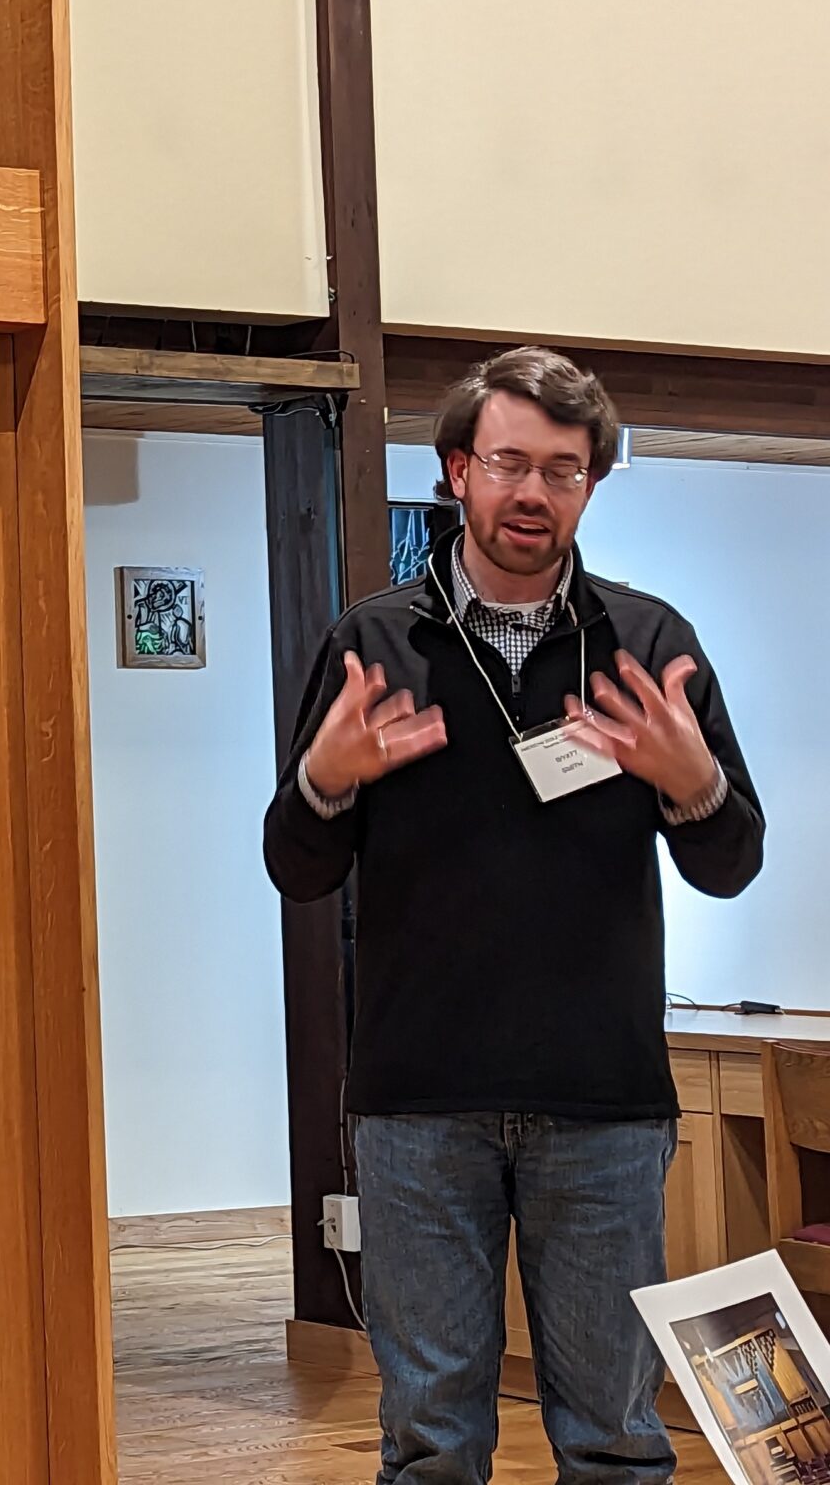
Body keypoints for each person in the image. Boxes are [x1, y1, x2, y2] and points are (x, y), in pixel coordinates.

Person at [264, 346, 765, 1485]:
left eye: (563, 468)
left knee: (614, 1438)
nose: (531, 492)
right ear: (456, 470)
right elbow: (296, 868)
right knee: (434, 1440)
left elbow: (730, 862)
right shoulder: (371, 646)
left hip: (602, 1103)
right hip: (417, 1107)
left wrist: (692, 781)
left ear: (589, 483)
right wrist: (325, 780)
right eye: (507, 463)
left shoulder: (646, 645)